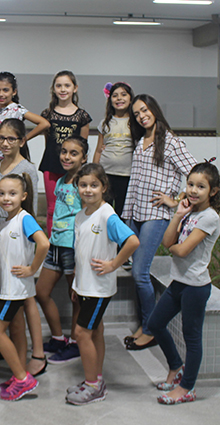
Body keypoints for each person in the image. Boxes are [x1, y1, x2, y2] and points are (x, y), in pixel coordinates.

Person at [122, 94, 197, 351]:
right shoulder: (140, 140)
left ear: (154, 109)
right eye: (137, 114)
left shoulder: (172, 142)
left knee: (140, 273)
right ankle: (145, 324)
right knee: (137, 274)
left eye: (144, 110)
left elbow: (196, 172)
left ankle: (151, 329)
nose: (141, 116)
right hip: (134, 211)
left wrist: (175, 201)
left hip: (155, 214)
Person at [148, 161, 220, 405]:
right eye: (190, 184)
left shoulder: (209, 218)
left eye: (201, 186)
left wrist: (173, 247)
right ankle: (175, 367)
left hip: (195, 287)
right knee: (155, 323)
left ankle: (187, 387)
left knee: (192, 337)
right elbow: (167, 241)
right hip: (178, 282)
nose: (193, 190)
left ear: (213, 191)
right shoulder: (189, 212)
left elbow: (180, 250)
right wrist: (178, 215)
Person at [66, 163, 139, 405]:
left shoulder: (107, 215)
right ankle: (95, 379)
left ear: (104, 187)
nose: (88, 190)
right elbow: (81, 252)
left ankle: (93, 386)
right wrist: (76, 283)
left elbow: (132, 241)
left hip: (98, 288)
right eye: (83, 185)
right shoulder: (80, 216)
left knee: (80, 333)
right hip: (85, 286)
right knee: (95, 330)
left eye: (94, 185)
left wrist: (113, 264)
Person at [0, 119, 45, 375]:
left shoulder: (27, 168)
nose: (5, 143)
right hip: (0, 228)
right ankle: (13, 350)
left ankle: (38, 353)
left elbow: (30, 207)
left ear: (22, 141)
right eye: (1, 138)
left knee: (26, 297)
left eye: (11, 138)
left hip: (19, 234)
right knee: (6, 289)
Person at [0, 173, 50, 401]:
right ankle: (19, 373)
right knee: (16, 330)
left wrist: (32, 269)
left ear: (23, 196)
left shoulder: (24, 219)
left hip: (15, 290)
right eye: (2, 193)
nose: (6, 198)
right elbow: (4, 260)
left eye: (12, 193)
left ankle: (23, 379)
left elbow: (44, 243)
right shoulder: (6, 223)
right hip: (8, 288)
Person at [35, 135, 87, 364]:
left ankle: (75, 343)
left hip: (72, 247)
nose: (67, 157)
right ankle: (58, 338)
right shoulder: (61, 181)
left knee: (75, 297)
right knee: (41, 291)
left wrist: (82, 253)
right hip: (55, 244)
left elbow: (88, 218)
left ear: (84, 158)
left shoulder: (83, 184)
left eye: (73, 153)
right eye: (64, 152)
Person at [40, 70, 92, 235]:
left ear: (75, 88)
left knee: (74, 206)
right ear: (54, 89)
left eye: (67, 85)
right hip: (51, 166)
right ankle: (52, 241)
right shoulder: (47, 114)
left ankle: (73, 239)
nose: (63, 89)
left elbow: (83, 146)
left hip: (73, 169)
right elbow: (48, 143)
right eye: (59, 86)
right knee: (52, 208)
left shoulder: (82, 116)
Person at [93, 82, 135, 217]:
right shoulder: (105, 122)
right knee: (105, 210)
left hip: (127, 174)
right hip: (106, 173)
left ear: (130, 98)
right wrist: (94, 172)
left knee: (123, 212)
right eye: (115, 95)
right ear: (110, 100)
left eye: (123, 94)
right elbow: (98, 150)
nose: (119, 98)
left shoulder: (135, 122)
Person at [0, 70, 49, 162]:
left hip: (13, 160)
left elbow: (44, 123)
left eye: (5, 90)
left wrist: (24, 139)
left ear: (14, 92)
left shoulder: (17, 109)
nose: (1, 94)